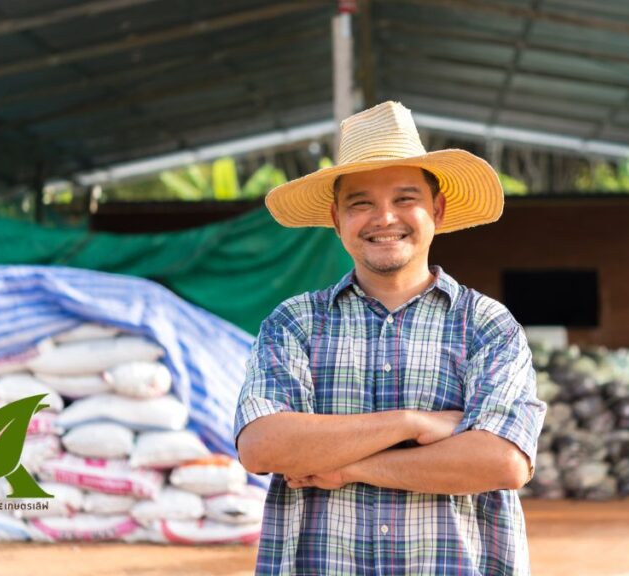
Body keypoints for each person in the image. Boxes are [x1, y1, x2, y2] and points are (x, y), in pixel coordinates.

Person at [234, 101, 546, 575]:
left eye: (405, 199)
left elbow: (501, 460)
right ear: (336, 219)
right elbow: (263, 446)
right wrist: (412, 423)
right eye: (361, 203)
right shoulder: (294, 323)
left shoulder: (486, 324)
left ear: (436, 210)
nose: (384, 218)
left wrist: (349, 468)